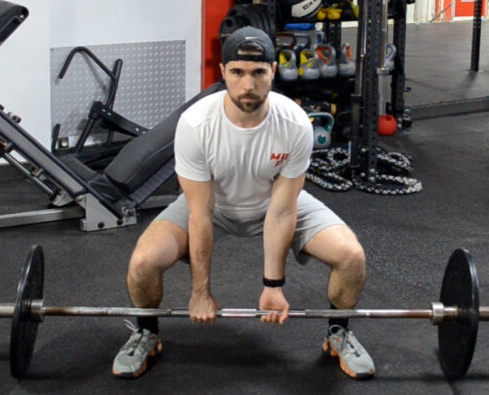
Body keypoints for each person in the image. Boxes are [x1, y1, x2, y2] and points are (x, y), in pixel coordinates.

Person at [112, 27, 374, 380]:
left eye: (258, 73)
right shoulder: (196, 124)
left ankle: (339, 333)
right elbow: (200, 213)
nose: (248, 85)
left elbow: (282, 211)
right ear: (222, 72)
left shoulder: (295, 124)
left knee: (351, 256)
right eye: (237, 72)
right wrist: (200, 292)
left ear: (273, 72)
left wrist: (273, 285)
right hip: (212, 206)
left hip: (273, 203)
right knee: (143, 261)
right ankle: (145, 332)